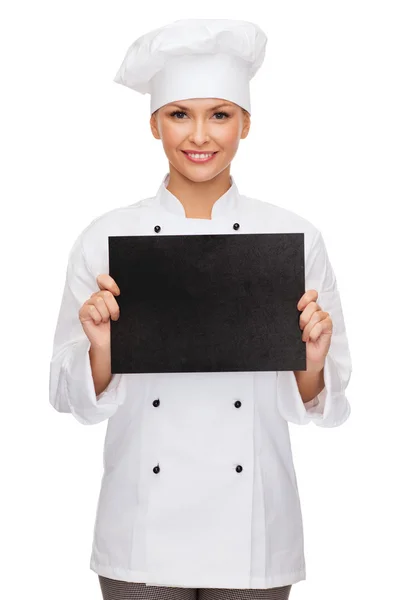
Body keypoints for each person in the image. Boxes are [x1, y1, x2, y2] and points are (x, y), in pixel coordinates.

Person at [49, 18, 352, 600]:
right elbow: (69, 401)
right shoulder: (105, 237)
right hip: (140, 536)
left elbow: (328, 408)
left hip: (253, 538)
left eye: (220, 114)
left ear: (245, 123)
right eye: (180, 114)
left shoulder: (294, 237)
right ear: (154, 123)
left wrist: (310, 359)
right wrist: (101, 350)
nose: (201, 135)